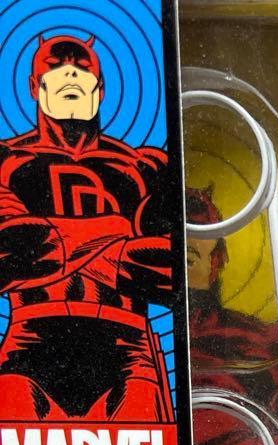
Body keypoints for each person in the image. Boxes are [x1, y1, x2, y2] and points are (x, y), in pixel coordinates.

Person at [0, 34, 173, 421]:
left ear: (101, 88)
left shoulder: (146, 166)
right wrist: (117, 232)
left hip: (128, 346)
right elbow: (12, 252)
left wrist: (53, 243)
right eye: (55, 66)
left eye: (81, 67)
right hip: (29, 342)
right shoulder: (6, 160)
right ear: (34, 86)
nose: (70, 73)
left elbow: (173, 268)